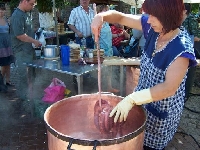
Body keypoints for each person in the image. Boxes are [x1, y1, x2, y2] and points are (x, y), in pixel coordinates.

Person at [91, 0, 197, 149]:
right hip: (141, 103)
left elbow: (169, 88)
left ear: (168, 15)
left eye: (153, 15)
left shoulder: (181, 49)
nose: (148, 19)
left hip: (161, 113)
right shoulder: (154, 27)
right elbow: (120, 18)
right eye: (148, 14)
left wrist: (132, 99)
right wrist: (101, 17)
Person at [10, 0, 41, 99]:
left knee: (32, 75)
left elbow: (26, 30)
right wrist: (34, 41)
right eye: (31, 4)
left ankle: (32, 95)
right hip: (22, 52)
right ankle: (24, 100)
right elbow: (20, 35)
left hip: (28, 50)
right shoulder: (17, 16)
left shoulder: (25, 14)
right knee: (24, 77)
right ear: (24, 1)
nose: (32, 7)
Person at [95, 4, 119, 93]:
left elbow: (108, 35)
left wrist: (117, 35)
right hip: (102, 50)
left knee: (109, 70)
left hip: (109, 49)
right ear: (100, 12)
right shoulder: (98, 23)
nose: (107, 13)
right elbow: (96, 37)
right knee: (102, 71)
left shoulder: (106, 23)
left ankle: (109, 87)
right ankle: (100, 89)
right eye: (106, 11)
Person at [0, 3, 14, 86]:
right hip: (0, 44)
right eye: (0, 10)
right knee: (4, 63)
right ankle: (1, 82)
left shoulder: (6, 19)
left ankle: (8, 81)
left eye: (3, 10)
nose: (2, 12)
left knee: (8, 62)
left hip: (8, 42)